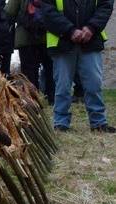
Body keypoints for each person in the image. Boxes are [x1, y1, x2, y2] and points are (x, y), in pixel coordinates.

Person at [42, 0, 115, 132]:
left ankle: (98, 123)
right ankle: (61, 123)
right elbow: (48, 11)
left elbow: (106, 6)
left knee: (94, 84)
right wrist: (70, 30)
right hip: (62, 40)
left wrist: (92, 27)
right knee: (62, 86)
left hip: (91, 41)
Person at [5, 0, 54, 103]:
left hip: (25, 37)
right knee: (50, 68)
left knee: (29, 71)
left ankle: (33, 100)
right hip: (46, 36)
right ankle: (52, 97)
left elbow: (9, 11)